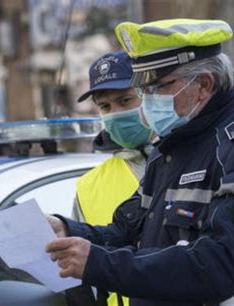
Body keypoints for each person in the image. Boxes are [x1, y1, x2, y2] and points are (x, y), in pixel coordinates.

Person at [47, 18, 234, 306]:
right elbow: (128, 231)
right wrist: (68, 231)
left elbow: (218, 268)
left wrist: (98, 264)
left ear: (204, 84)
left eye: (158, 87)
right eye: (144, 90)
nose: (149, 101)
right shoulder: (171, 147)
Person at [62, 51, 153, 306]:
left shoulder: (189, 163)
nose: (115, 113)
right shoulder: (88, 186)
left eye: (125, 100)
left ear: (151, 96)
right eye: (105, 106)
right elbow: (80, 279)